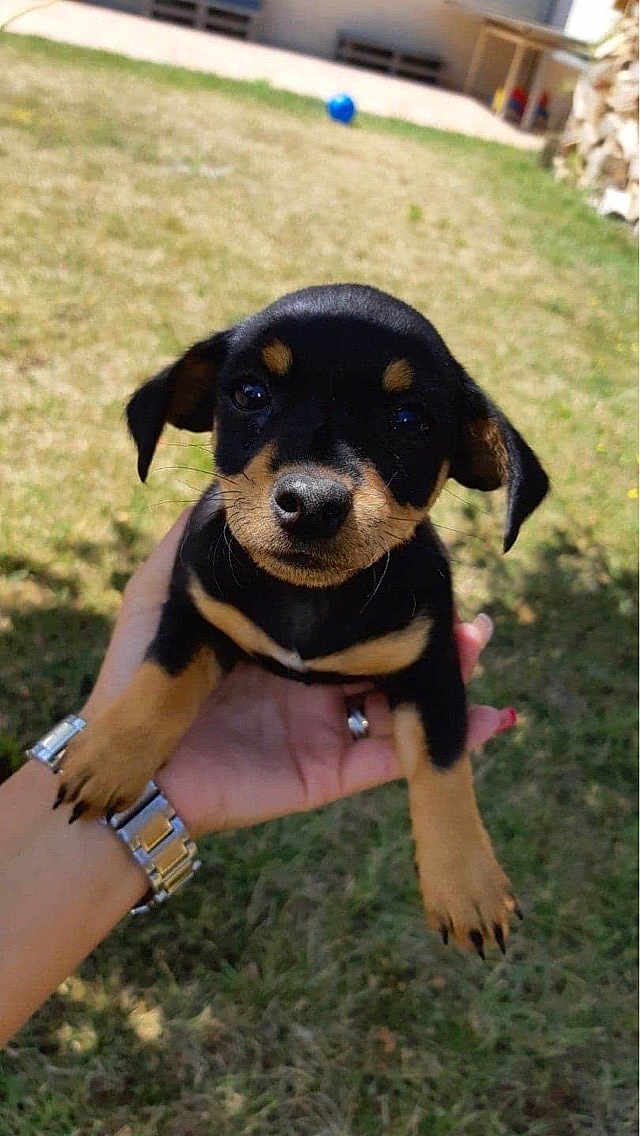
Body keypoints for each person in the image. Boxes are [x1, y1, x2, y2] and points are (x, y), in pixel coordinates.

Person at [0, 511, 516, 1045]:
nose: (312, 487)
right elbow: (193, 627)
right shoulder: (218, 549)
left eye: (404, 419)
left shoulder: (412, 592)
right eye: (252, 416)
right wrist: (132, 727)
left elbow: (429, 684)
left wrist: (452, 835)